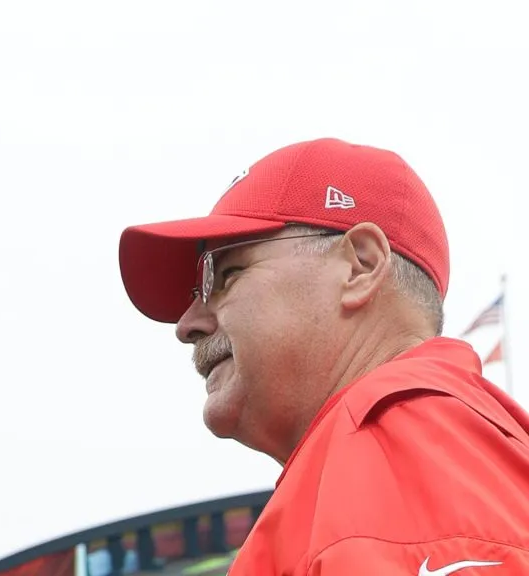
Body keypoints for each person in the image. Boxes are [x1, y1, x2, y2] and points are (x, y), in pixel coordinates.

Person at [118, 137, 529, 574]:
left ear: (360, 267)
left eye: (227, 275)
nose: (187, 324)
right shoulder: (372, 459)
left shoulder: (397, 439)